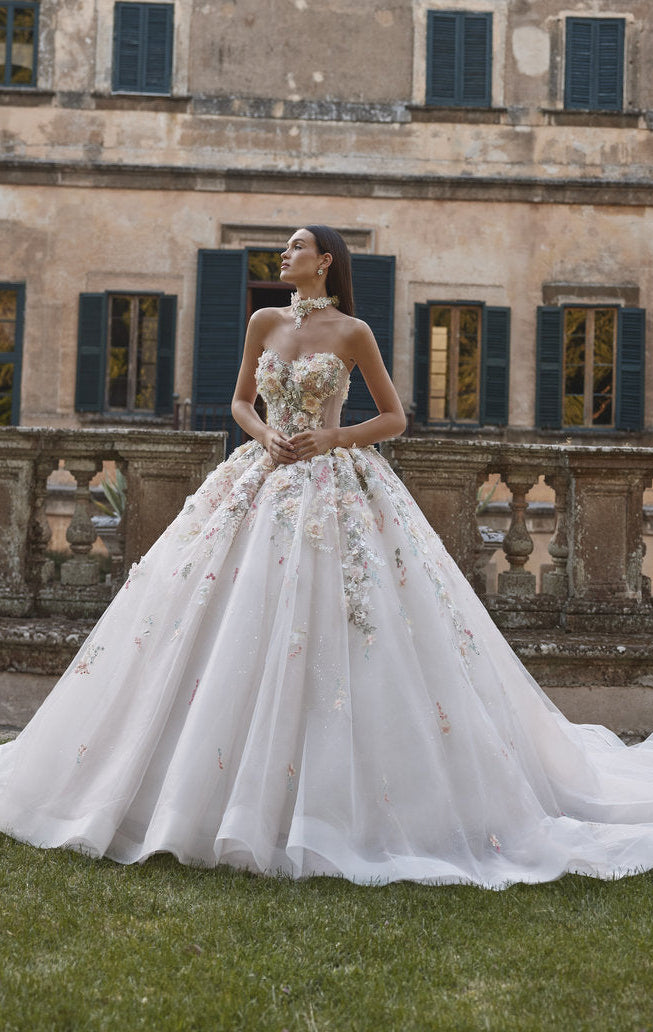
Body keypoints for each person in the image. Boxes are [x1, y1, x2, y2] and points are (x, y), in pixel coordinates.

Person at [1, 225, 653, 889]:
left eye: (294, 246)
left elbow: (394, 417)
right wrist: (265, 436)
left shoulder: (353, 332)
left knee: (347, 628)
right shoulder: (261, 320)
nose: (283, 254)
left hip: (332, 483)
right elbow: (238, 402)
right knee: (213, 617)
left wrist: (333, 436)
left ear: (325, 262)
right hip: (260, 477)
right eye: (284, 247)